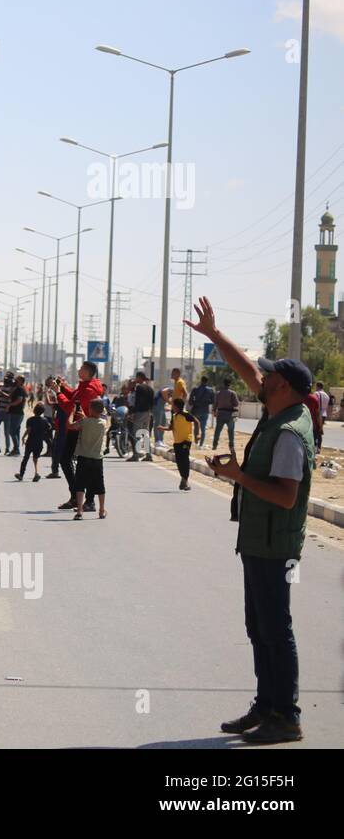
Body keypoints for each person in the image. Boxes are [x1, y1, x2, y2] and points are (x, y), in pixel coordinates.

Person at [184, 296, 313, 744]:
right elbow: (247, 370)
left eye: (271, 374)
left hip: (276, 545)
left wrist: (237, 476)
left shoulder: (291, 432)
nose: (263, 376)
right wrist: (215, 335)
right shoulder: (281, 409)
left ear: (284, 387)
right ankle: (267, 705)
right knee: (259, 626)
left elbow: (285, 495)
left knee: (276, 628)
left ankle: (287, 715)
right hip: (259, 540)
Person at [55, 363, 105, 510]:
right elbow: (74, 396)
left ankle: (84, 499)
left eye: (81, 369)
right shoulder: (85, 386)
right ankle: (78, 497)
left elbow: (71, 407)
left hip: (80, 429)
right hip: (78, 428)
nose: (78, 370)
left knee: (73, 462)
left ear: (88, 372)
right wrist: (62, 387)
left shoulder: (89, 390)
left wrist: (58, 393)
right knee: (76, 462)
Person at [68, 398, 107, 520]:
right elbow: (100, 417)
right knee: (100, 485)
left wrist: (71, 412)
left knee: (80, 484)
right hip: (97, 459)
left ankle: (79, 511)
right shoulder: (103, 423)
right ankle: (101, 510)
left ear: (90, 409)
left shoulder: (84, 422)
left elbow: (70, 426)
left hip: (83, 458)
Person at [15, 402, 52, 481]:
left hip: (30, 442)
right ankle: (36, 473)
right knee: (36, 458)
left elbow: (28, 430)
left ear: (34, 410)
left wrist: (23, 437)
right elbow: (49, 427)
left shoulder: (30, 420)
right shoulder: (44, 420)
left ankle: (21, 474)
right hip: (39, 443)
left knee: (26, 458)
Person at [171, 396, 197, 491]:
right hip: (177, 442)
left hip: (186, 441)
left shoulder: (186, 415)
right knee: (179, 462)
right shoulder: (174, 416)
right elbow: (171, 427)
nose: (172, 407)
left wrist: (197, 434)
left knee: (184, 460)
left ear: (177, 406)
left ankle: (185, 482)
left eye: (173, 405)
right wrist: (163, 428)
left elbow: (196, 421)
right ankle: (183, 480)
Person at [128, 370, 154, 462]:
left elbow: (137, 401)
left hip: (140, 412)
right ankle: (148, 455)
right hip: (148, 413)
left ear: (139, 377)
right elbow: (152, 402)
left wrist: (133, 412)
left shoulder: (139, 387)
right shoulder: (150, 388)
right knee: (145, 434)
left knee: (136, 433)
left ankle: (136, 455)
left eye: (137, 377)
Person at [0, 371, 15, 454]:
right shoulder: (1, 386)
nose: (6, 379)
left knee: (6, 432)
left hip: (7, 413)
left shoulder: (12, 388)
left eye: (8, 378)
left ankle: (7, 448)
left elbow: (8, 397)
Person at [212, 377, 239, 452]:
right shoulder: (232, 393)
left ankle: (214, 445)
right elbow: (236, 404)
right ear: (229, 384)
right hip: (230, 414)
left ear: (223, 384)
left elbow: (215, 404)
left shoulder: (218, 393)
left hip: (220, 414)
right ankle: (231, 446)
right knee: (231, 431)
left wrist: (214, 412)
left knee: (217, 430)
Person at [189, 374, 216, 448]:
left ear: (201, 380)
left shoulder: (195, 389)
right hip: (205, 411)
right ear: (207, 381)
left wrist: (196, 402)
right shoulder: (210, 390)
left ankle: (196, 442)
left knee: (196, 427)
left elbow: (190, 402)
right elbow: (213, 401)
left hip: (196, 411)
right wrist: (207, 402)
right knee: (203, 429)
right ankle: (201, 445)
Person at [6, 375, 27, 455]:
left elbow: (19, 400)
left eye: (17, 379)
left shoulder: (20, 389)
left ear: (21, 381)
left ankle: (16, 448)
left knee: (12, 431)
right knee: (16, 431)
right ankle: (16, 449)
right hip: (15, 413)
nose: (15, 380)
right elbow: (10, 396)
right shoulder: (16, 388)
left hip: (17, 413)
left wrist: (9, 405)